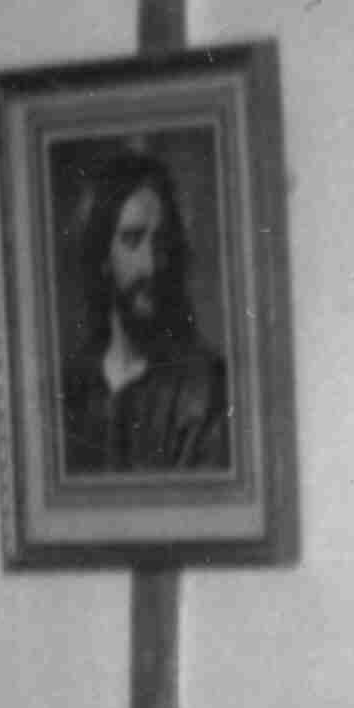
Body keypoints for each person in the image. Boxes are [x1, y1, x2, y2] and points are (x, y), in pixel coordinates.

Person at [54, 152, 232, 479]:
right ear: (103, 256)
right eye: (132, 240)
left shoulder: (207, 388)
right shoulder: (70, 388)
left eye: (162, 241)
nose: (151, 265)